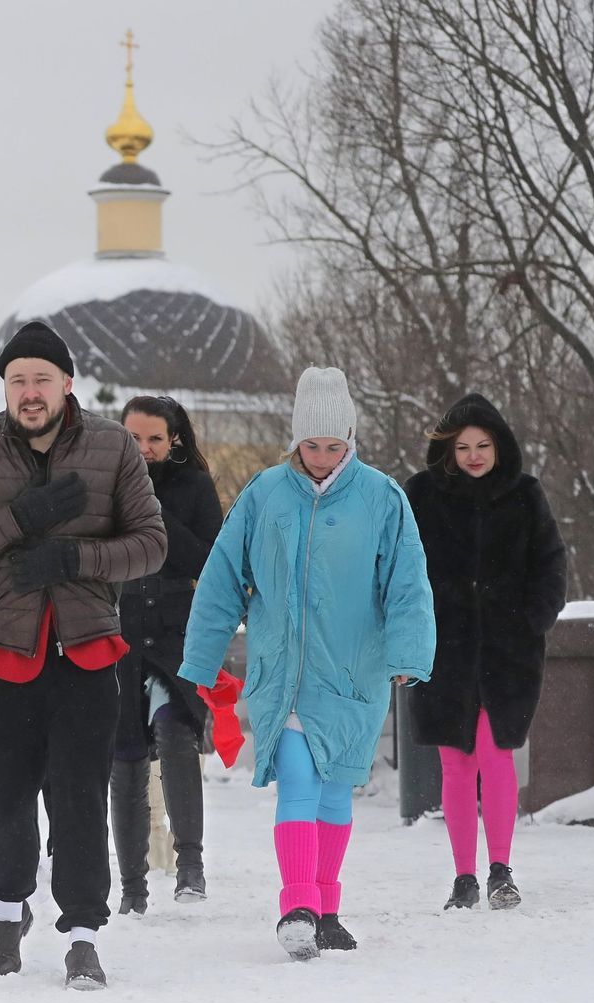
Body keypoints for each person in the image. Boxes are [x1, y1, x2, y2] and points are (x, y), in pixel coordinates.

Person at [0, 321, 166, 990]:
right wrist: (19, 520)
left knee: (80, 797)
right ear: (5, 388)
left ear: (66, 384)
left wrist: (73, 558)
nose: (29, 392)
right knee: (2, 798)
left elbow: (151, 544)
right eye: (17, 381)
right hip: (1, 656)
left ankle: (83, 935)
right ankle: (6, 912)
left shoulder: (113, 447)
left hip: (86, 653)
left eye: (41, 379)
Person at [179, 366, 435, 961]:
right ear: (296, 440)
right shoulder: (265, 494)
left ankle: (326, 908)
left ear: (351, 441)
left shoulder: (382, 498)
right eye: (311, 446)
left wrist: (409, 653)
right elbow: (223, 577)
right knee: (298, 780)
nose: (321, 458)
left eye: (333, 446)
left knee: (335, 791)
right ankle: (297, 905)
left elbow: (407, 582)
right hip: (284, 672)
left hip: (351, 672)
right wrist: (202, 655)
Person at [404, 394, 565, 911]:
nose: (474, 455)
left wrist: (530, 621)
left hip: (508, 652)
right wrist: (407, 636)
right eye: (463, 447)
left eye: (483, 445)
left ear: (500, 447)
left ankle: (500, 870)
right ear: (448, 450)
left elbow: (551, 564)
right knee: (456, 763)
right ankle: (463, 878)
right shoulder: (421, 495)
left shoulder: (526, 494)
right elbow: (398, 569)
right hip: (443, 651)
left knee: (496, 755)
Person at [110, 396, 223, 916]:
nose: (143, 449)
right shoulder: (104, 481)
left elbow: (208, 560)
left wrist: (152, 508)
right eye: (133, 438)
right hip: (119, 629)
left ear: (173, 439)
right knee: (126, 757)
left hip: (176, 630)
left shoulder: (193, 485)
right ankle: (132, 886)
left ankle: (190, 864)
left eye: (154, 439)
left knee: (178, 736)